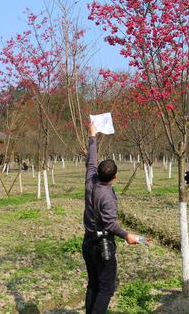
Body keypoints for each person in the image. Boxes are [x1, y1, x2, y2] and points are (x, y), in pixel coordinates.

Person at [82, 122, 140, 314]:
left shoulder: (90, 179)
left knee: (93, 284)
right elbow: (110, 224)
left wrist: (92, 137)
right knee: (106, 289)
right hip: (102, 245)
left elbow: (91, 160)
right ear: (114, 178)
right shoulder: (107, 197)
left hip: (88, 241)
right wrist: (126, 235)